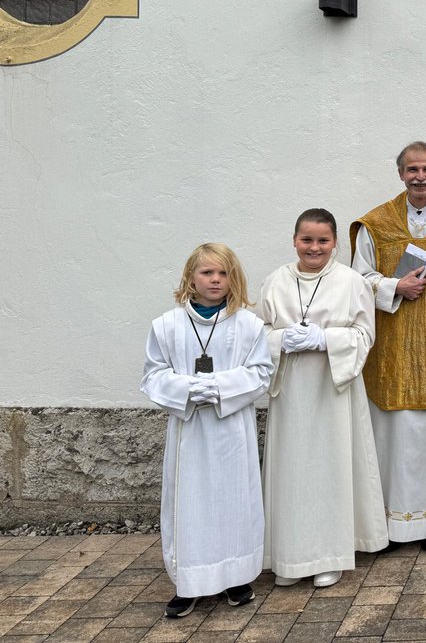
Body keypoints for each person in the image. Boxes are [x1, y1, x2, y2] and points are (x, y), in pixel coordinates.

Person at [141, 243, 272, 619]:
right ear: (190, 277)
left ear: (234, 279)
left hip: (231, 430)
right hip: (191, 432)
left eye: (223, 273)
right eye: (207, 272)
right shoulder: (166, 326)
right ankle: (190, 582)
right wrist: (186, 389)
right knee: (191, 504)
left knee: (234, 500)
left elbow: (261, 372)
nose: (215, 280)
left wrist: (218, 387)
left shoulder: (248, 325)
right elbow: (153, 375)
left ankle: (236, 577)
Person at [259, 209, 388, 587]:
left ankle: (329, 555)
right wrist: (280, 339)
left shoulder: (351, 282)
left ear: (334, 243)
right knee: (292, 472)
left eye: (322, 240)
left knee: (330, 468)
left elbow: (365, 335)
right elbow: (258, 332)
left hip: (334, 390)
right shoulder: (275, 281)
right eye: (307, 240)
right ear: (294, 240)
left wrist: (325, 339)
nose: (314, 248)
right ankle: (290, 558)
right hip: (292, 391)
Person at [350, 143, 426, 550]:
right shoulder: (376, 223)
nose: (421, 177)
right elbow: (356, 281)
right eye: (413, 170)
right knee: (393, 434)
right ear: (400, 173)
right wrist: (393, 286)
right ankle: (387, 524)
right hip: (392, 344)